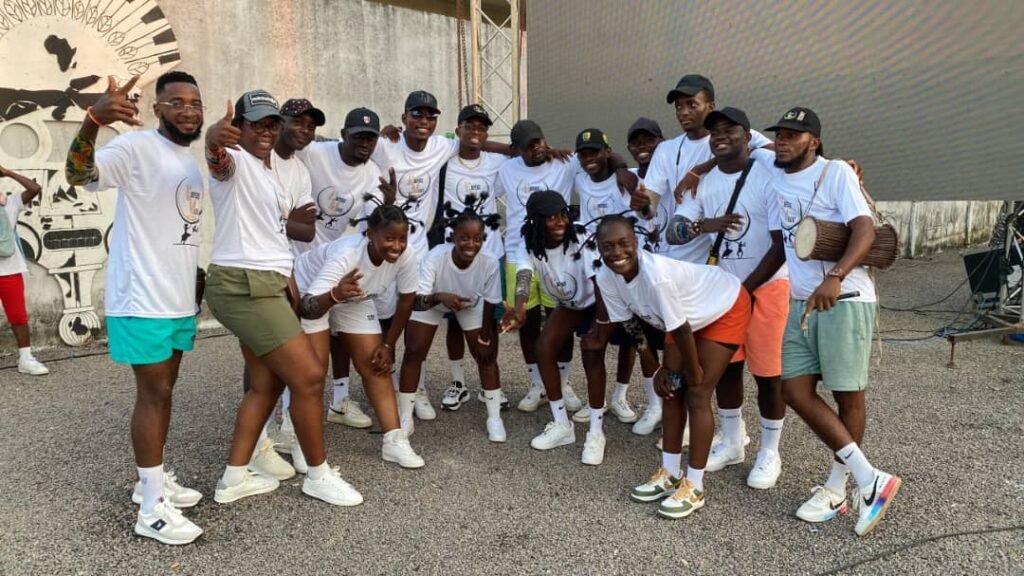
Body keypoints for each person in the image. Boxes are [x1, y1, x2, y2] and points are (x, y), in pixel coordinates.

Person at [64, 71, 204, 544]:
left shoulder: (188, 160)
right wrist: (91, 121)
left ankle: (152, 480)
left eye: (194, 103)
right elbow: (78, 174)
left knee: (165, 391)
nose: (188, 110)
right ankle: (151, 510)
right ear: (157, 109)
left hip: (177, 299)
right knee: (153, 394)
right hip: (142, 297)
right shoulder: (135, 148)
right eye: (176, 102)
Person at [204, 89, 360, 509]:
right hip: (244, 284)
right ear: (239, 127)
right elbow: (217, 160)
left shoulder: (269, 170)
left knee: (266, 382)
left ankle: (234, 478)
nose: (266, 131)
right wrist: (215, 139)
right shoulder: (236, 161)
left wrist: (289, 283)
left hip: (269, 282)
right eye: (256, 123)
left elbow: (288, 234)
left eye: (271, 124)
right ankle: (318, 475)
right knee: (308, 376)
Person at [767, 107, 900, 535]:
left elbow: (864, 230)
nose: (783, 141)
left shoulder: (836, 172)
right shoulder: (774, 179)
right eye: (779, 134)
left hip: (845, 298)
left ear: (815, 142)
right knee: (793, 389)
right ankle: (869, 478)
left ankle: (838, 487)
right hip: (802, 301)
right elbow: (780, 244)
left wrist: (835, 276)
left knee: (847, 395)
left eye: (793, 135)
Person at [590, 214, 752, 519]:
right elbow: (631, 325)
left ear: (636, 242)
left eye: (624, 243)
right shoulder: (605, 278)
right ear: (598, 248)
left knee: (697, 392)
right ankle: (670, 472)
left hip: (724, 305)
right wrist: (657, 371)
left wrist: (694, 370)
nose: (617, 252)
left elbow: (681, 331)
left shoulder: (656, 276)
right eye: (607, 246)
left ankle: (695, 486)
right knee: (669, 389)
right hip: (684, 317)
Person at [667, 107, 789, 489]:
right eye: (714, 130)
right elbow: (673, 231)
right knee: (726, 370)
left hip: (767, 287)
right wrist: (703, 225)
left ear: (747, 136)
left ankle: (770, 451)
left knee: (769, 374)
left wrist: (746, 291)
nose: (720, 135)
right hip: (724, 292)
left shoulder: (768, 170)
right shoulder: (704, 183)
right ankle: (733, 440)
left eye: (729, 129)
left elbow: (781, 244)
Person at [297, 201, 424, 469]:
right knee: (311, 373)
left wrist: (388, 344)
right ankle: (295, 438)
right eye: (389, 238)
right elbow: (308, 307)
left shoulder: (406, 254)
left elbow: (406, 300)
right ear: (370, 234)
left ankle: (394, 441)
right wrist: (335, 295)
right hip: (312, 293)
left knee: (376, 364)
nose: (397, 246)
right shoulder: (347, 255)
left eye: (402, 238)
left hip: (353, 295)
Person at [502, 191, 621, 466]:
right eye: (550, 217)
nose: (559, 222)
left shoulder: (581, 236)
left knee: (592, 353)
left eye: (562, 214)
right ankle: (561, 425)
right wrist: (519, 309)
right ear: (535, 221)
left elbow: (601, 283)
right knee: (543, 347)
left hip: (600, 301)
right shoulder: (530, 243)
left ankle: (596, 432)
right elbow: (524, 277)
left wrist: (599, 326)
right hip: (570, 304)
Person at [239, 97, 320, 482]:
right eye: (296, 122)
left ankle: (283, 432)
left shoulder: (299, 170)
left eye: (311, 125)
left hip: (286, 269)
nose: (304, 130)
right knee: (260, 359)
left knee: (282, 362)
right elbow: (257, 219)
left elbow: (307, 230)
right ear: (277, 122)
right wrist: (283, 218)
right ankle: (256, 446)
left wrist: (273, 219)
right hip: (251, 271)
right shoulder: (251, 157)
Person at [398, 197, 505, 440]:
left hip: (469, 304)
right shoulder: (436, 256)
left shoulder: (489, 262)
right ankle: (405, 417)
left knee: (486, 356)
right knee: (414, 350)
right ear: (452, 236)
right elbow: (417, 300)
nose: (471, 244)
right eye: (464, 238)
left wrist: (485, 336)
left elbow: (491, 300)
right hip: (434, 300)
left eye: (477, 239)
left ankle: (494, 418)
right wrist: (440, 297)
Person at [496, 120, 584, 413]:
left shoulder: (565, 163)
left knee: (561, 320)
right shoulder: (506, 169)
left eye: (540, 141)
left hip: (557, 256)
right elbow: (474, 149)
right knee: (528, 324)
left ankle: (563, 383)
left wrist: (621, 170)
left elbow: (603, 159)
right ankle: (537, 385)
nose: (537, 148)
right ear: (516, 150)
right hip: (517, 252)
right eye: (529, 146)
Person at [436, 104, 508, 411]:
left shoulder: (496, 163)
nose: (475, 132)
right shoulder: (444, 160)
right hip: (455, 254)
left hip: (490, 253)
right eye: (469, 126)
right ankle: (458, 383)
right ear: (458, 130)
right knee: (455, 320)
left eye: (481, 128)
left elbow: (517, 152)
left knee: (490, 320)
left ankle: (490, 386)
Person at [568, 128, 640, 427]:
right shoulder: (580, 178)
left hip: (623, 270)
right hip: (592, 272)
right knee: (592, 337)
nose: (589, 158)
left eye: (595, 152)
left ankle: (621, 395)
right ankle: (594, 399)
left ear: (607, 152)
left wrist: (621, 167)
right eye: (583, 154)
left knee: (629, 338)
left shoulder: (626, 179)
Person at [619, 117, 666, 436]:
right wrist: (620, 167)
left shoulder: (673, 173)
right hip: (637, 278)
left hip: (670, 276)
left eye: (649, 140)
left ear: (662, 142)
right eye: (636, 142)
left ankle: (680, 412)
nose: (643, 146)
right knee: (643, 342)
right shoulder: (626, 179)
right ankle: (655, 405)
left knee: (677, 347)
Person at [0, 165, 47, 376]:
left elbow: (35, 189)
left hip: (9, 269)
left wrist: (8, 172)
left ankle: (26, 358)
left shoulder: (9, 203)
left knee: (18, 315)